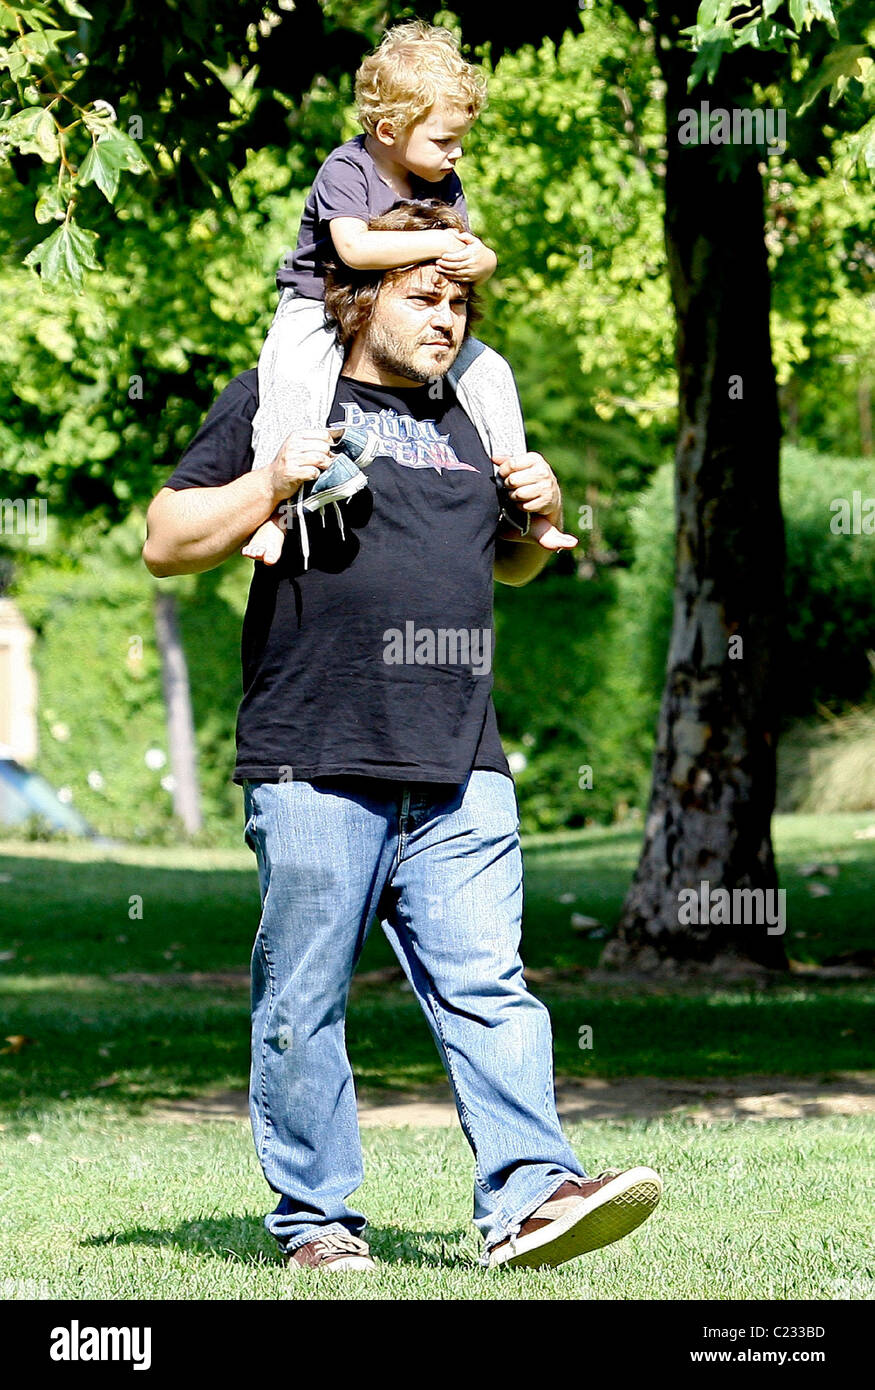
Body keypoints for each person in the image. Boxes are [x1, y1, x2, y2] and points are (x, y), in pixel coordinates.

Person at [141, 204, 662, 1273]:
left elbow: (506, 562)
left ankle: (529, 1195)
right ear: (360, 294)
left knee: (489, 983)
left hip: (460, 755)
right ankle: (316, 1223)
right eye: (424, 295)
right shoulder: (285, 392)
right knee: (303, 1000)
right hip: (314, 752)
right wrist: (271, 482)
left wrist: (539, 514)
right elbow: (166, 540)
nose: (446, 316)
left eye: (459, 298)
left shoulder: (472, 406)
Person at [241, 19, 567, 568]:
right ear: (389, 131)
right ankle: (273, 512)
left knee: (493, 373)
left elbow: (473, 251)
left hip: (399, 317)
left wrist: (480, 260)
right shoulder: (347, 169)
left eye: (460, 140)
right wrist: (439, 240)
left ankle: (522, 502)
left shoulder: (443, 183)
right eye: (443, 140)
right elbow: (354, 251)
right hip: (318, 304)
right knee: (292, 380)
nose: (456, 153)